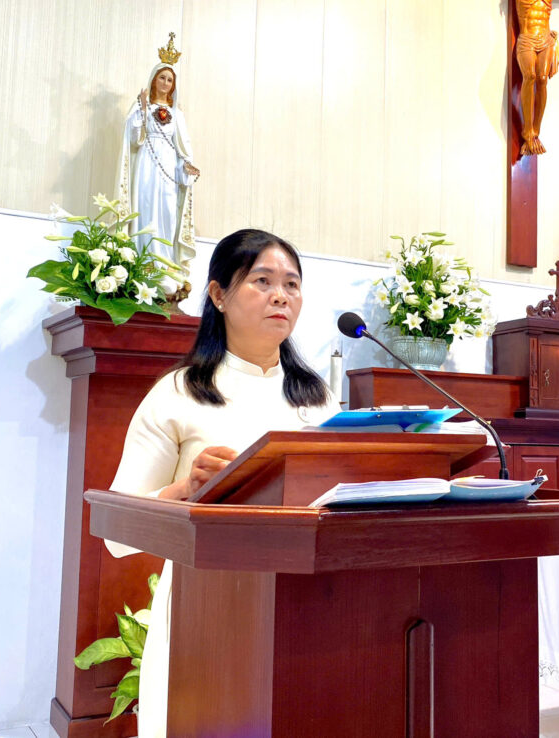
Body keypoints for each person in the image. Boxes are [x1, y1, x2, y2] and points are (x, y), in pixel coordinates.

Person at [106, 229, 340, 737]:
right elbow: (118, 534)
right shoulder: (179, 392)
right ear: (218, 294)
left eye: (292, 284)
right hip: (207, 607)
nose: (281, 296)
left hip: (309, 603)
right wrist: (185, 492)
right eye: (263, 281)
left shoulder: (318, 399)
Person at [117, 51, 200, 298]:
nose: (165, 83)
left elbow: (182, 147)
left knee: (167, 212)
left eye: (169, 80)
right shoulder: (141, 107)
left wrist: (187, 166)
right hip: (146, 167)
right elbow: (135, 138)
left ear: (174, 85)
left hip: (168, 168)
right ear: (154, 80)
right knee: (144, 210)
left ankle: (164, 265)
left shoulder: (177, 114)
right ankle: (142, 264)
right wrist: (142, 109)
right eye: (162, 78)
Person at [515, 0, 559, 156]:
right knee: (530, 76)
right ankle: (527, 130)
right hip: (527, 39)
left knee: (542, 79)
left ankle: (535, 132)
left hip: (546, 40)